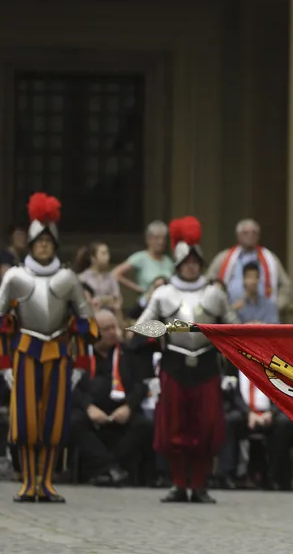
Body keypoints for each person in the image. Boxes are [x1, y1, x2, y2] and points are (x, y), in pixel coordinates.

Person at [0, 193, 98, 502]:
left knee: (54, 422)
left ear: (55, 244)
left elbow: (86, 321)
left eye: (48, 241)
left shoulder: (68, 278)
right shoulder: (14, 277)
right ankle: (29, 482)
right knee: (27, 421)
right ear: (30, 245)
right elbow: (1, 322)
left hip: (58, 352)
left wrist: (80, 363)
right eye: (38, 241)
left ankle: (47, 482)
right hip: (26, 352)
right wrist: (4, 365)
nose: (43, 246)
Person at [134, 216, 238, 504]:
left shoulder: (215, 293)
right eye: (186, 262)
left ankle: (200, 485)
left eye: (195, 262)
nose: (191, 266)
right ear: (178, 265)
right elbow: (140, 328)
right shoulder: (163, 293)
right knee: (174, 428)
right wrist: (157, 333)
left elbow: (235, 331)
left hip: (206, 366)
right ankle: (179, 484)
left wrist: (230, 367)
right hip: (174, 366)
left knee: (206, 428)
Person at [69, 309, 154, 486]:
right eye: (106, 329)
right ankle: (111, 468)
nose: (113, 332)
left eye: (114, 327)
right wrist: (88, 407)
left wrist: (128, 407)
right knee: (73, 423)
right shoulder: (80, 353)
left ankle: (106, 469)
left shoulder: (129, 353)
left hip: (121, 409)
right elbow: (72, 386)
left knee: (144, 425)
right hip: (90, 410)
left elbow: (140, 385)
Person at [208, 219, 292, 312]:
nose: (250, 235)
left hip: (263, 316)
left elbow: (285, 285)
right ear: (238, 235)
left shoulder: (271, 259)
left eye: (254, 232)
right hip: (230, 314)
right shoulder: (224, 257)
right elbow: (209, 281)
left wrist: (275, 307)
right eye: (245, 232)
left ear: (258, 236)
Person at [112, 220, 174, 295]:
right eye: (157, 238)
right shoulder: (140, 258)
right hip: (147, 299)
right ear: (148, 239)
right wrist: (137, 288)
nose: (161, 242)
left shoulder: (168, 261)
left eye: (163, 238)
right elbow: (115, 274)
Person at [78, 241, 124, 317]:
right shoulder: (82, 278)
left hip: (110, 317)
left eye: (108, 253)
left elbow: (118, 301)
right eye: (103, 253)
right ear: (93, 258)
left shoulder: (111, 278)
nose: (107, 257)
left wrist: (104, 299)